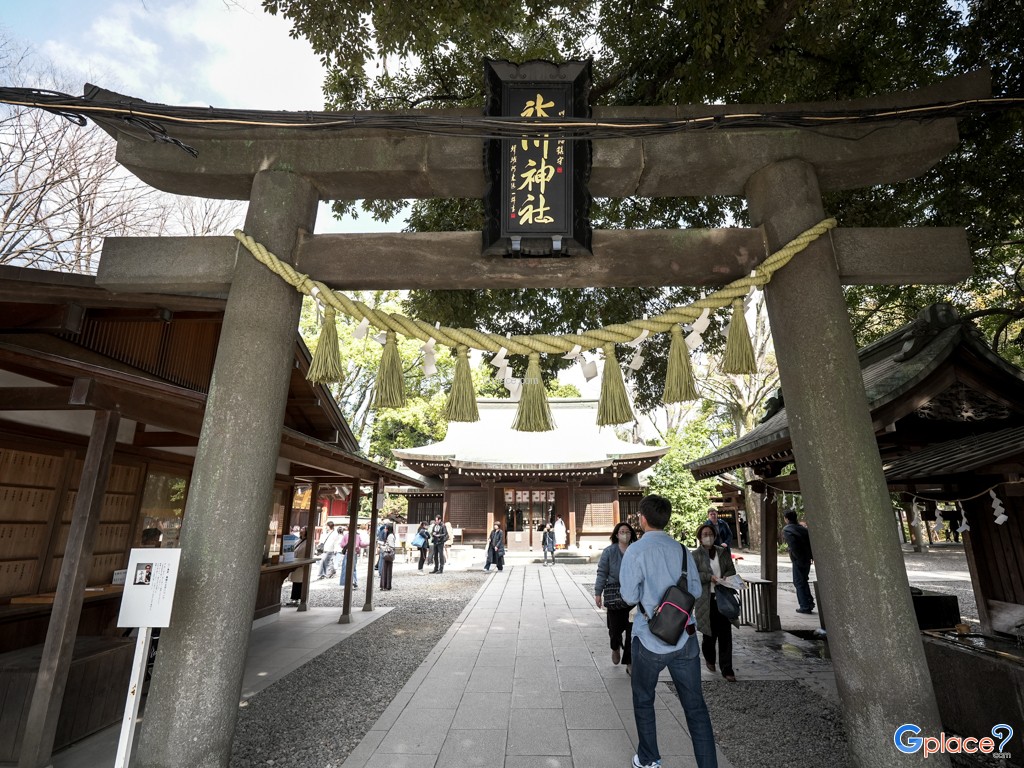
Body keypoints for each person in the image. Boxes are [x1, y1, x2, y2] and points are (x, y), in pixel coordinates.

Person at [619, 494, 718, 768]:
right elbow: (695, 591)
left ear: (642, 519)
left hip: (649, 637)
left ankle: (649, 758)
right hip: (684, 638)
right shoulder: (683, 551)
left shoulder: (635, 552)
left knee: (643, 698)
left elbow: (628, 596)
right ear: (667, 518)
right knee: (695, 707)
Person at [693, 523, 739, 682]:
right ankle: (710, 658)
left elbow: (731, 570)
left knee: (725, 633)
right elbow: (693, 576)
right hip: (705, 600)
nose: (708, 537)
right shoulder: (695, 555)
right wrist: (709, 577)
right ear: (700, 537)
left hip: (723, 596)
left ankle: (727, 668)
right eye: (705, 534)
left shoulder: (722, 552)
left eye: (710, 534)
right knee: (708, 634)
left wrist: (726, 577)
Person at [595, 521, 637, 673]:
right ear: (616, 534)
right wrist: (598, 592)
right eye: (622, 531)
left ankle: (629, 661)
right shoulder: (609, 551)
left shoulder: (635, 550)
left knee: (632, 630)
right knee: (614, 630)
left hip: (632, 594)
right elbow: (602, 573)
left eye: (627, 531)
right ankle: (615, 647)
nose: (625, 534)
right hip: (614, 593)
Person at [782, 509, 815, 613]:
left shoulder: (787, 530)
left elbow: (793, 546)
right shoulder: (803, 529)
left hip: (798, 559)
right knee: (804, 580)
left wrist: (796, 557)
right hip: (807, 558)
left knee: (798, 582)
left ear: (786, 518)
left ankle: (805, 605)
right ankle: (809, 602)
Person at [286, 527, 308, 607]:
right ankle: (294, 599)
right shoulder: (299, 540)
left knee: (299, 582)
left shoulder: (307, 542)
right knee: (296, 582)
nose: (301, 531)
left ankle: (297, 599)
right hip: (295, 563)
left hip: (301, 564)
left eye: (303, 529)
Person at [379, 522, 396, 590]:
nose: (385, 529)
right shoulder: (391, 535)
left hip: (388, 553)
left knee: (386, 569)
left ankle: (385, 585)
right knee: (387, 569)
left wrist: (384, 546)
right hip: (389, 554)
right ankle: (386, 585)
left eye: (386, 528)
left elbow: (391, 546)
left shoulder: (390, 536)